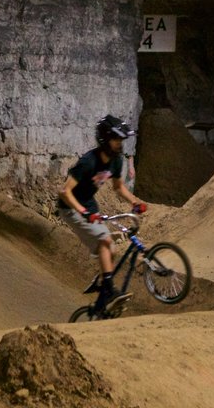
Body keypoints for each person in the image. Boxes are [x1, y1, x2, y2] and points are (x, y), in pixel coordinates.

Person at [57, 115, 148, 315]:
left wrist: (135, 202)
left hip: (89, 204)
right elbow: (64, 192)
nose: (120, 144)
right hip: (71, 208)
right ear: (105, 140)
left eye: (121, 140)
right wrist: (83, 212)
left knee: (111, 250)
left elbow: (119, 187)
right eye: (117, 140)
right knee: (105, 241)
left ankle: (100, 297)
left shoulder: (116, 161)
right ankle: (109, 289)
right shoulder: (88, 162)